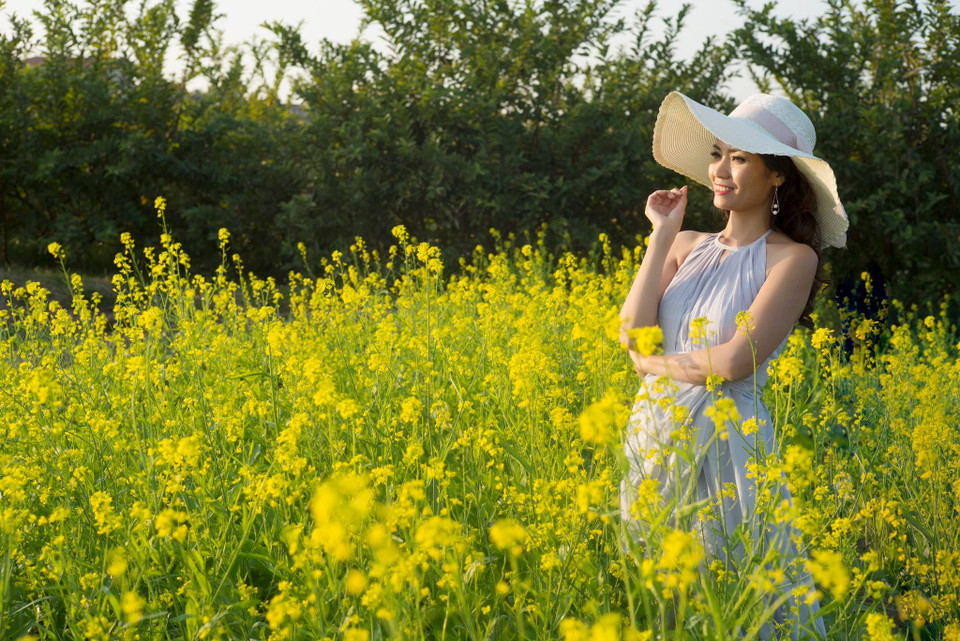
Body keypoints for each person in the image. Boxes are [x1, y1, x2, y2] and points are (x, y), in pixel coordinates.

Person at [617, 91, 849, 639]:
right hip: (655, 434)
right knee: (659, 603)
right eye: (717, 154)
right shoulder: (685, 245)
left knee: (739, 596)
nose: (720, 170)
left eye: (740, 159)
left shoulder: (793, 258)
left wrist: (651, 363)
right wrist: (662, 233)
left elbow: (734, 361)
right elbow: (632, 330)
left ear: (777, 177)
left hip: (728, 447)